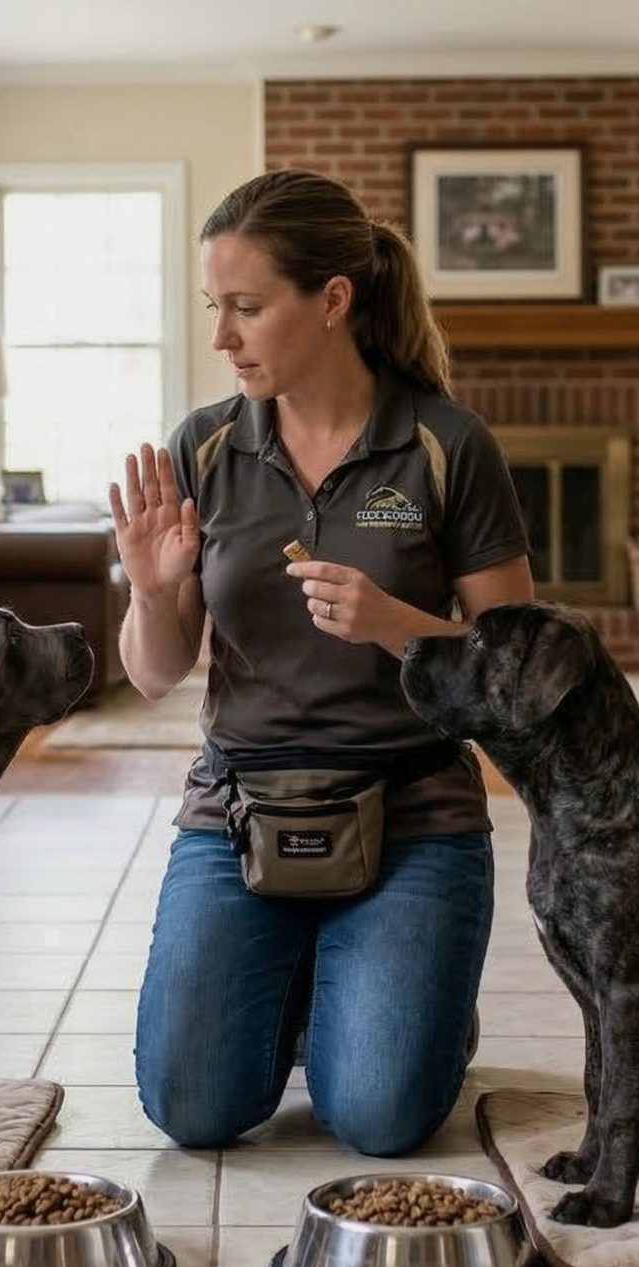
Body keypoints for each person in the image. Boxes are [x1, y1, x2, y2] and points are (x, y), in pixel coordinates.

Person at [109, 169, 534, 1157]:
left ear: (333, 299)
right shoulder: (205, 447)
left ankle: (391, 990)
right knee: (193, 1108)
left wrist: (399, 625)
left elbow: (520, 676)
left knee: (380, 1117)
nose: (222, 337)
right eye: (215, 308)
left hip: (413, 816)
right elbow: (153, 674)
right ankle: (312, 977)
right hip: (241, 809)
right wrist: (149, 588)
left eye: (247, 308)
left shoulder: (445, 444)